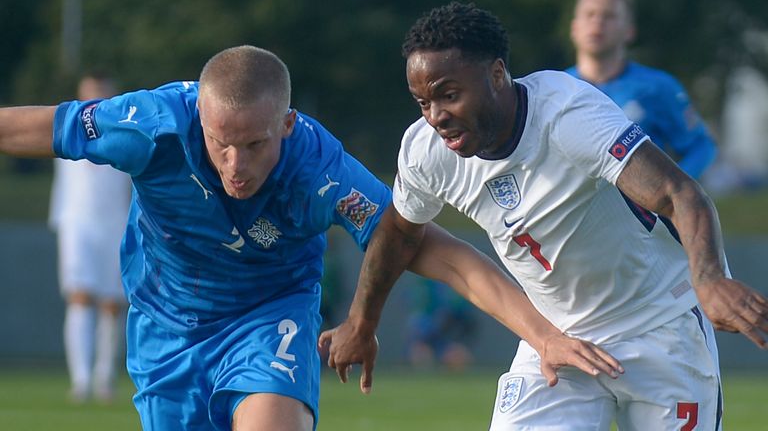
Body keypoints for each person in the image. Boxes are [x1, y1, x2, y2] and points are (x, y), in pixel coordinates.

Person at [0, 45, 623, 431]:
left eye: (256, 144)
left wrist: (542, 335)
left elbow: (430, 250)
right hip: (168, 326)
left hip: (269, 317)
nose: (237, 164)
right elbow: (39, 127)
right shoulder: (150, 126)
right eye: (221, 144)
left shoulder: (319, 169)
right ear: (199, 122)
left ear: (288, 124)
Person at [320, 3, 768, 430]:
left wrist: (709, 279)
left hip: (660, 322)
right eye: (422, 102)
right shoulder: (425, 151)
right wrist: (362, 322)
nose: (436, 116)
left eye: (449, 95)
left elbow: (678, 192)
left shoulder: (567, 112)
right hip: (556, 336)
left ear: (497, 73)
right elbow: (400, 232)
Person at [49, 73, 131, 403]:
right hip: (76, 223)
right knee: (80, 296)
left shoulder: (126, 133)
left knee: (112, 304)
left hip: (116, 224)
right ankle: (80, 380)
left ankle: (103, 379)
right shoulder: (65, 130)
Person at [566, 0, 717, 180]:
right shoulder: (555, 91)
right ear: (574, 28)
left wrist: (673, 191)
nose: (597, 22)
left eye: (609, 16)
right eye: (590, 14)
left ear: (629, 31)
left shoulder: (658, 87)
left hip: (637, 205)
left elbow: (701, 145)